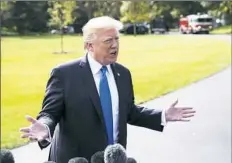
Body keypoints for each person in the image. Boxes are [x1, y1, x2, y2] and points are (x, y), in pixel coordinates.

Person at [19, 16, 195, 163]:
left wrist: (162, 115)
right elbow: (50, 113)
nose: (115, 45)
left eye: (117, 39)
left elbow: (129, 112)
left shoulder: (123, 73)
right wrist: (44, 127)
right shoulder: (64, 74)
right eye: (108, 41)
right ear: (89, 46)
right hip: (76, 159)